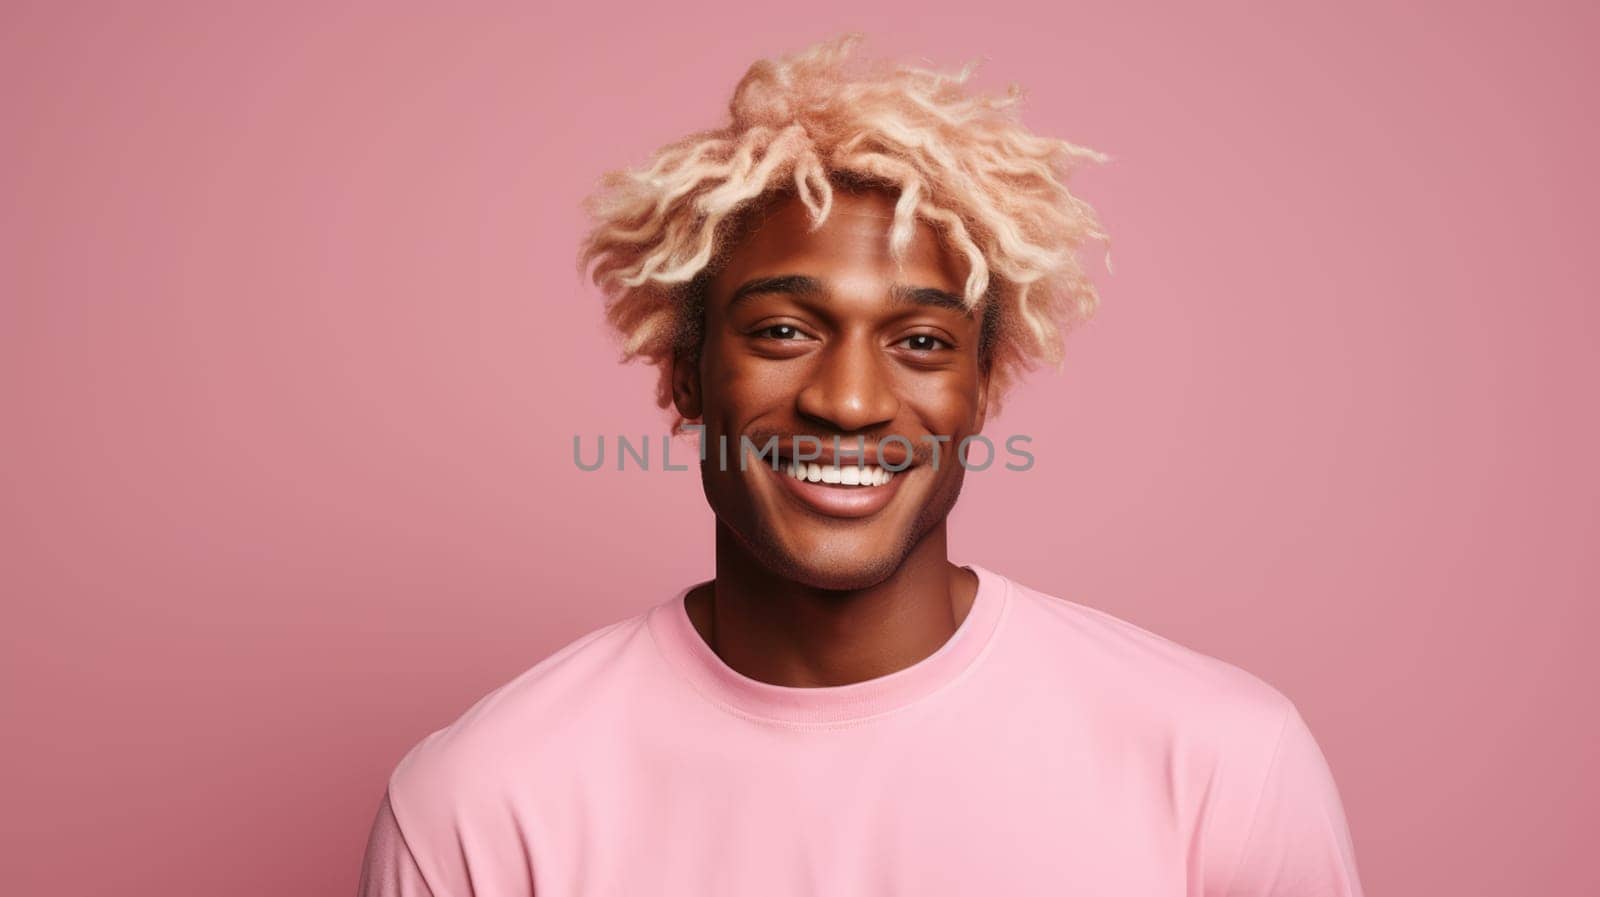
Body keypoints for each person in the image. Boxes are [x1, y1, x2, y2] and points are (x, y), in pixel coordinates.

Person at [356, 34, 1364, 896]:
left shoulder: (1220, 763)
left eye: (920, 341)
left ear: (982, 387)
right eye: (786, 330)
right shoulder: (483, 803)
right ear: (684, 373)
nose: (848, 401)